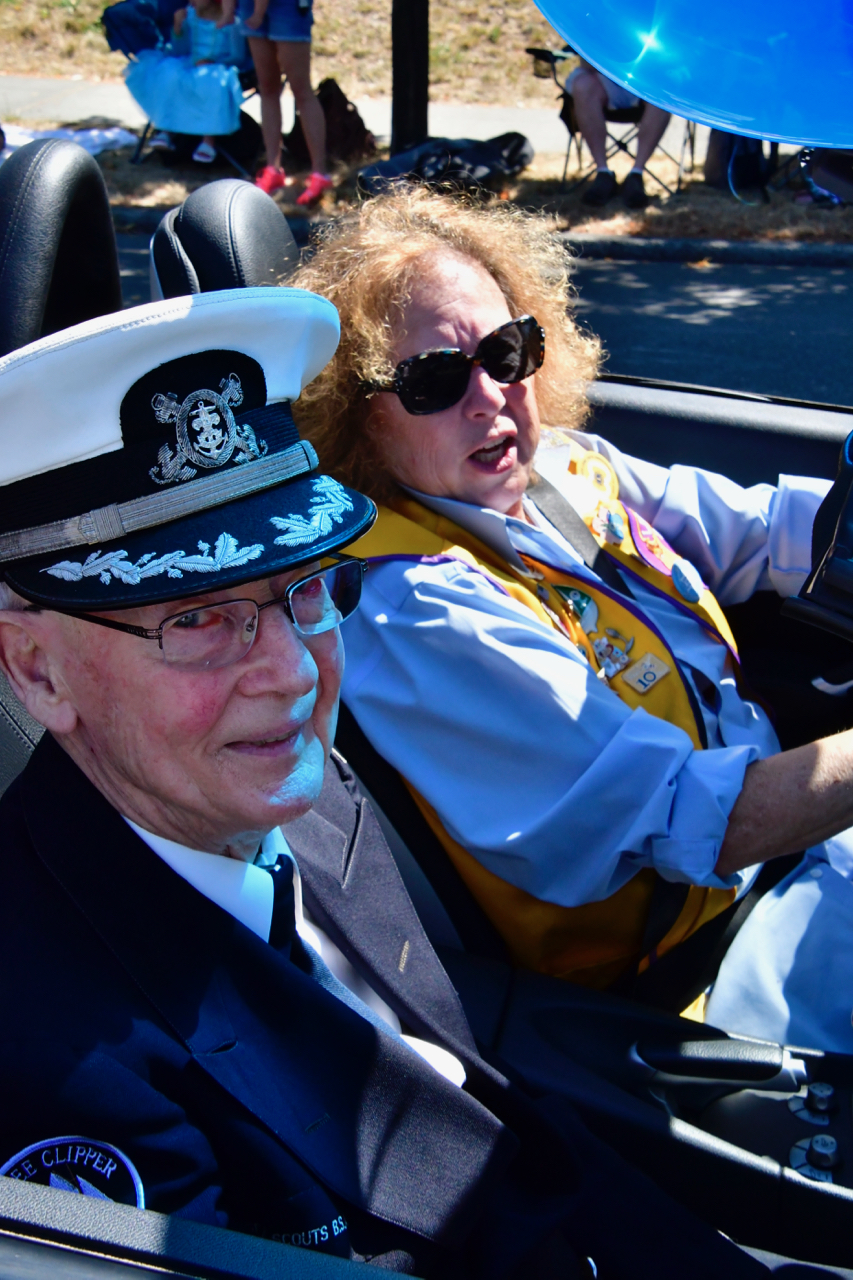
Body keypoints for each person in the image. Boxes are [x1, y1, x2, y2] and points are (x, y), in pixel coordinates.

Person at [0, 285, 785, 1279]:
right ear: (36, 670)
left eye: (306, 587)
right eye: (197, 619)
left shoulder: (298, 793)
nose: (291, 671)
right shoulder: (46, 1059)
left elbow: (480, 1104)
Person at [289, 186, 853, 1054]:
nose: (489, 397)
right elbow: (694, 821)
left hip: (772, 872)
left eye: (506, 351)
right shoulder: (412, 611)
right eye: (435, 380)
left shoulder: (557, 469)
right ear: (356, 414)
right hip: (678, 988)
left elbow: (761, 535)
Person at [217, 0, 331, 204]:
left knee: (301, 89)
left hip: (287, 6)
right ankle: (273, 169)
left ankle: (319, 174)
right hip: (250, 5)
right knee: (267, 87)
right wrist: (228, 11)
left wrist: (259, 13)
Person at [125, 0, 246, 165]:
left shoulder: (232, 22)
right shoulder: (190, 16)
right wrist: (177, 29)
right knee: (169, 72)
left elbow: (238, 56)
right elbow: (179, 51)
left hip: (217, 66)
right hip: (190, 62)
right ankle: (165, 131)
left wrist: (214, 61)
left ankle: (208, 141)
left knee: (211, 81)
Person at [566, 61, 671, 209]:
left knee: (666, 87)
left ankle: (637, 174)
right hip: (602, 76)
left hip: (647, 78)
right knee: (582, 84)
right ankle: (602, 172)